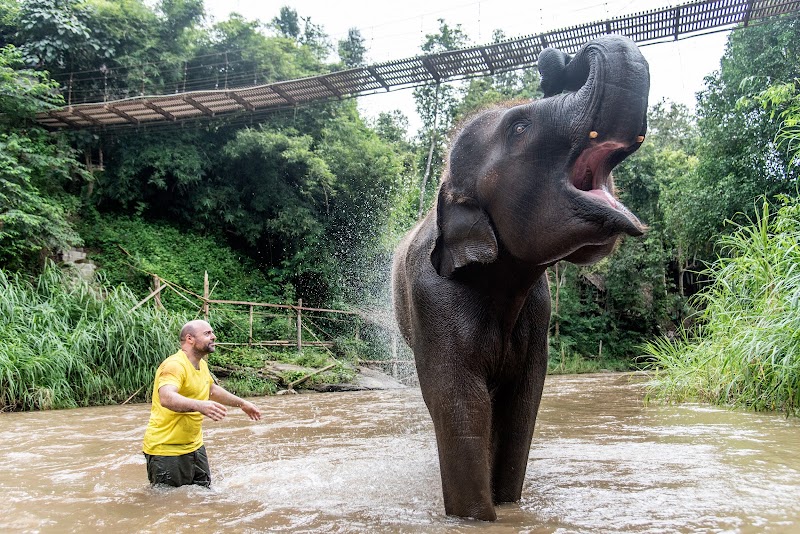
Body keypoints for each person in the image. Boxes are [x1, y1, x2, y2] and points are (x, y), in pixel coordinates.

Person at [142, 319, 261, 487]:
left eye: (212, 333)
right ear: (190, 339)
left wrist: (242, 404)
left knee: (202, 499)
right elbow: (167, 398)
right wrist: (200, 405)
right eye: (207, 333)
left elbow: (211, 390)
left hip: (195, 447)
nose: (213, 336)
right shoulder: (175, 365)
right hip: (166, 449)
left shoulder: (201, 365)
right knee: (168, 505)